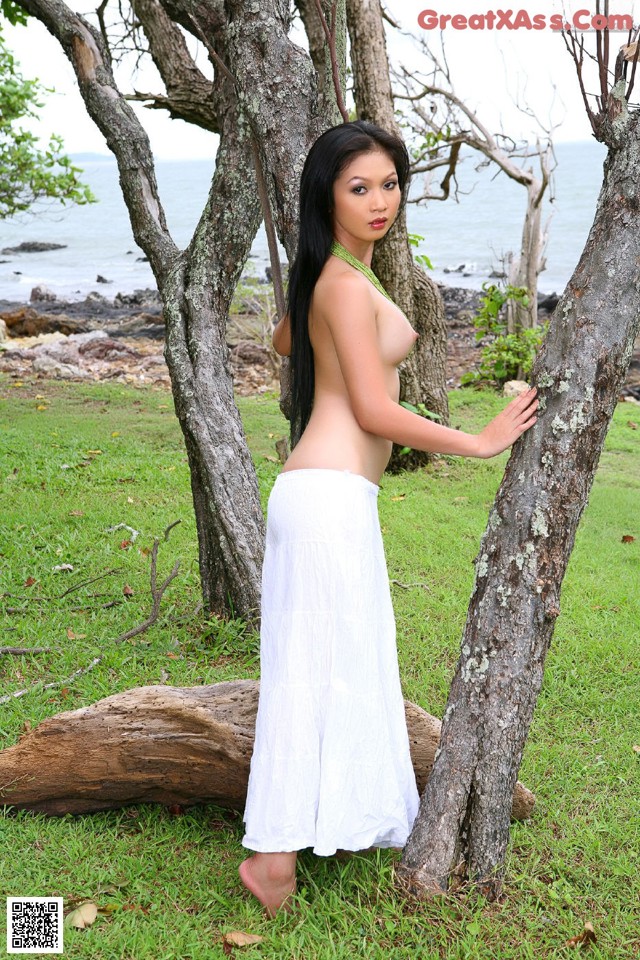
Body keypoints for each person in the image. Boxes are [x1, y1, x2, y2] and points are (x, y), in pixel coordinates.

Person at [239, 120, 538, 917]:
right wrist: (477, 442)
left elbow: (284, 339)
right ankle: (271, 858)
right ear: (327, 196)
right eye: (358, 187)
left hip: (330, 495)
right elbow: (372, 407)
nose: (379, 201)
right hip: (327, 496)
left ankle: (331, 824)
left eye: (389, 184)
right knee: (314, 670)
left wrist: (318, 299)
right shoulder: (340, 282)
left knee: (346, 661)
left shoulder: (332, 273)